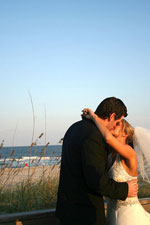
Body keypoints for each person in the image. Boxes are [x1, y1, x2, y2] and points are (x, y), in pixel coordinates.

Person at [56, 97, 138, 225]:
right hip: (85, 214)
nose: (116, 126)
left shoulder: (74, 128)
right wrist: (124, 190)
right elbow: (96, 180)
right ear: (111, 116)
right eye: (118, 121)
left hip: (66, 210)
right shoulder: (94, 135)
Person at [82, 108, 150, 225]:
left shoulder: (129, 153)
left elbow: (108, 138)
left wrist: (94, 117)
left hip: (130, 216)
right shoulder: (109, 155)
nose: (113, 125)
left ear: (125, 133)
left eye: (118, 124)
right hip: (111, 214)